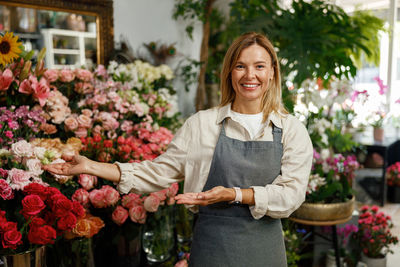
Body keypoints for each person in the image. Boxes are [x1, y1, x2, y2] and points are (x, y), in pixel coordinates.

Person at [44, 32, 313, 267]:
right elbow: (157, 172)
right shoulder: (202, 124)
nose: (250, 75)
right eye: (240, 66)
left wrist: (233, 194)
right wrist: (90, 166)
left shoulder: (291, 130)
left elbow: (291, 195)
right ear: (230, 72)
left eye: (260, 66)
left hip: (265, 253)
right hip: (212, 251)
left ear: (273, 72)